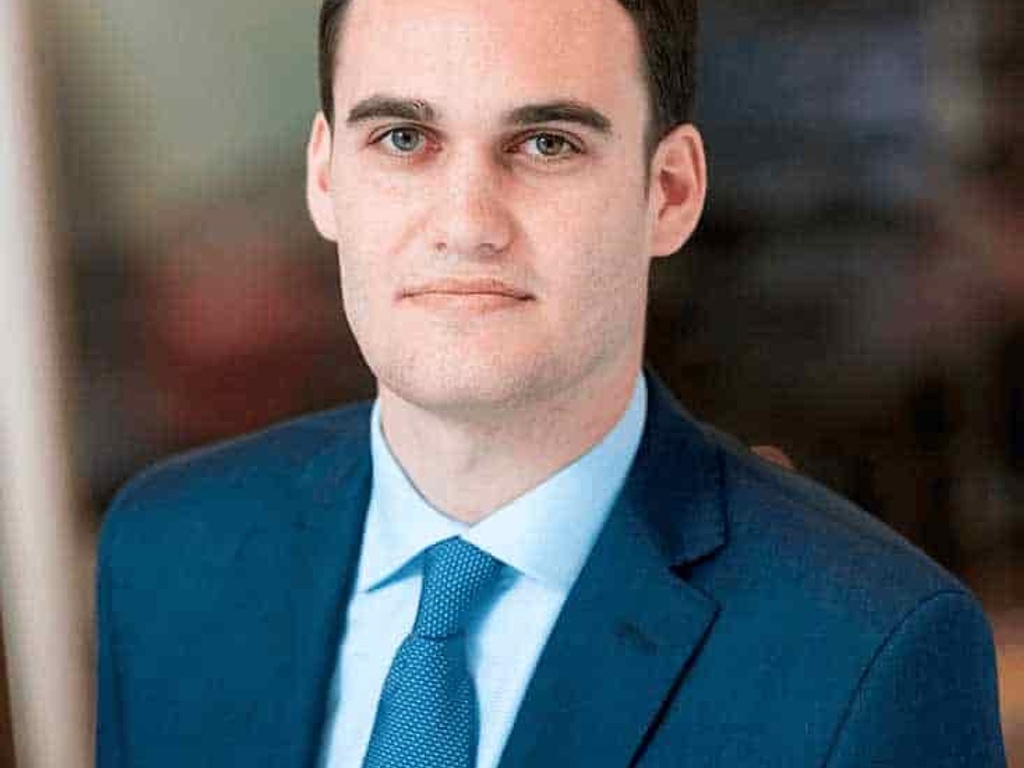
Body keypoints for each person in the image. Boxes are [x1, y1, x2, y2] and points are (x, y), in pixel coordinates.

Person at [95, 0, 1007, 765]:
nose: (466, 224)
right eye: (404, 137)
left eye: (546, 144)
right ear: (325, 175)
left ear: (671, 191)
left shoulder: (870, 652)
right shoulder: (167, 555)